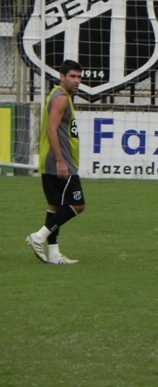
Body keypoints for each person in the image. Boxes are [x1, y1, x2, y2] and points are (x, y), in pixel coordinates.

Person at [25, 60, 85, 265]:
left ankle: (54, 254)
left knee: (55, 206)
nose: (77, 81)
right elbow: (51, 129)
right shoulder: (61, 99)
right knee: (77, 205)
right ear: (62, 76)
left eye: (79, 77)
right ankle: (38, 237)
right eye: (73, 76)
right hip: (59, 161)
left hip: (50, 160)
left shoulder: (59, 96)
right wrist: (61, 161)